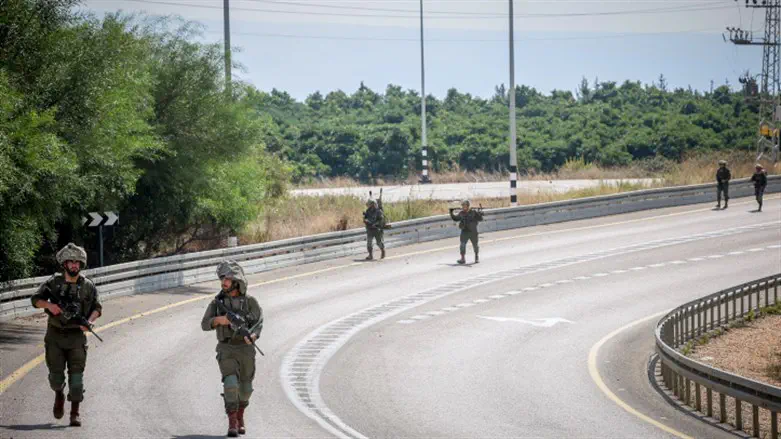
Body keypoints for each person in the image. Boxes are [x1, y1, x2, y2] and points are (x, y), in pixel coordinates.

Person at [29, 243, 102, 427]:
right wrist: (49, 306)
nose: (74, 266)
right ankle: (59, 395)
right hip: (55, 336)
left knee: (76, 381)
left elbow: (97, 308)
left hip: (77, 337)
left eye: (77, 263)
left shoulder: (88, 286)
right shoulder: (53, 283)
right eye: (71, 262)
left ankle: (75, 413)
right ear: (64, 264)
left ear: (81, 264)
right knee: (56, 379)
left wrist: (90, 322)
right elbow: (35, 300)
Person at [201, 260, 263, 437]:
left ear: (237, 281)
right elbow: (204, 324)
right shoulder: (217, 303)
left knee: (246, 390)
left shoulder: (250, 302)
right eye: (222, 278)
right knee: (230, 384)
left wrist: (253, 336)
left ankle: (241, 415)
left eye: (228, 278)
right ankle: (232, 422)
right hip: (226, 348)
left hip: (246, 349)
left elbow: (259, 323)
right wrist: (219, 321)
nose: (224, 282)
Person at [449, 199, 484, 264]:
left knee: (475, 245)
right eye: (462, 206)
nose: (463, 207)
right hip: (464, 232)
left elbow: (480, 219)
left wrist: (481, 214)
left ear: (468, 206)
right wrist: (451, 213)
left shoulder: (473, 212)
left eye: (464, 206)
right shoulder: (461, 213)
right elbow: (456, 219)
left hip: (473, 232)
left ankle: (476, 257)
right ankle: (463, 259)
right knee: (462, 245)